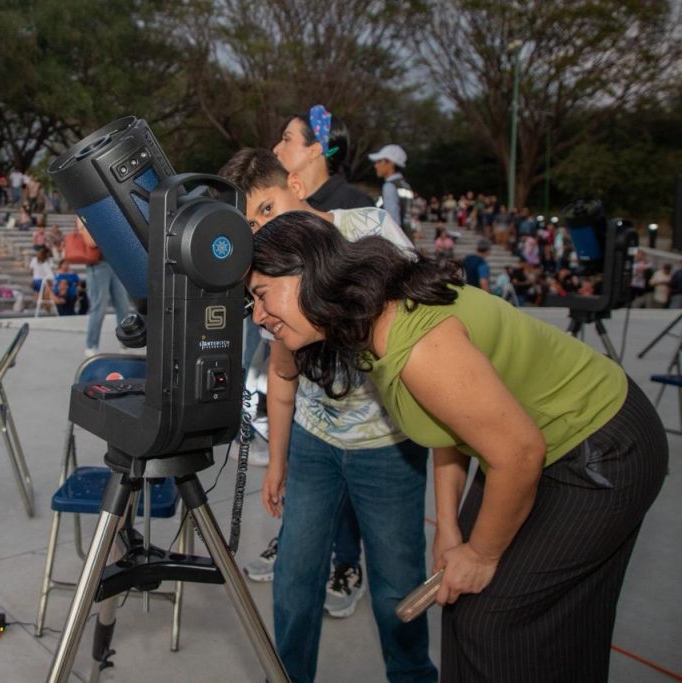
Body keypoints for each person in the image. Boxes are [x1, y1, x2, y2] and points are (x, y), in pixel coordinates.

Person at [249, 212, 668, 682]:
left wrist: (483, 555)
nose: (258, 316)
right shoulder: (368, 319)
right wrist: (448, 527)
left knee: (493, 624)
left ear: (307, 272)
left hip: (598, 445)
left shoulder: (415, 343)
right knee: (473, 606)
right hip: (532, 445)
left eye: (262, 295)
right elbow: (453, 427)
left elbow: (518, 454)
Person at [220, 147, 435, 683]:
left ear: (295, 185)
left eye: (267, 208)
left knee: (397, 587)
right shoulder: (270, 264)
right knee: (295, 578)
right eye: (251, 224)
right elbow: (282, 370)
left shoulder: (370, 230)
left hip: (387, 445)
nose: (263, 228)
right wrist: (278, 460)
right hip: (315, 444)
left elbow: (424, 336)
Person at [255, 106, 375, 621]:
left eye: (287, 138)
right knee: (305, 490)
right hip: (304, 391)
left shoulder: (354, 209)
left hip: (357, 397)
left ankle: (346, 563)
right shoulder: (285, 205)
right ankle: (296, 544)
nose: (277, 148)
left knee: (347, 488)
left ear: (315, 150)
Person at [76, 217, 131, 357]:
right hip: (98, 265)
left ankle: (125, 343)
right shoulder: (83, 215)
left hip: (116, 264)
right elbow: (91, 242)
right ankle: (91, 345)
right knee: (98, 307)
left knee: (123, 305)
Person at [369, 144, 415, 239]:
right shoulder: (405, 185)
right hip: (407, 239)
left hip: (396, 242)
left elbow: (393, 222)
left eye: (379, 161)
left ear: (390, 163)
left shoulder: (389, 186)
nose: (376, 165)